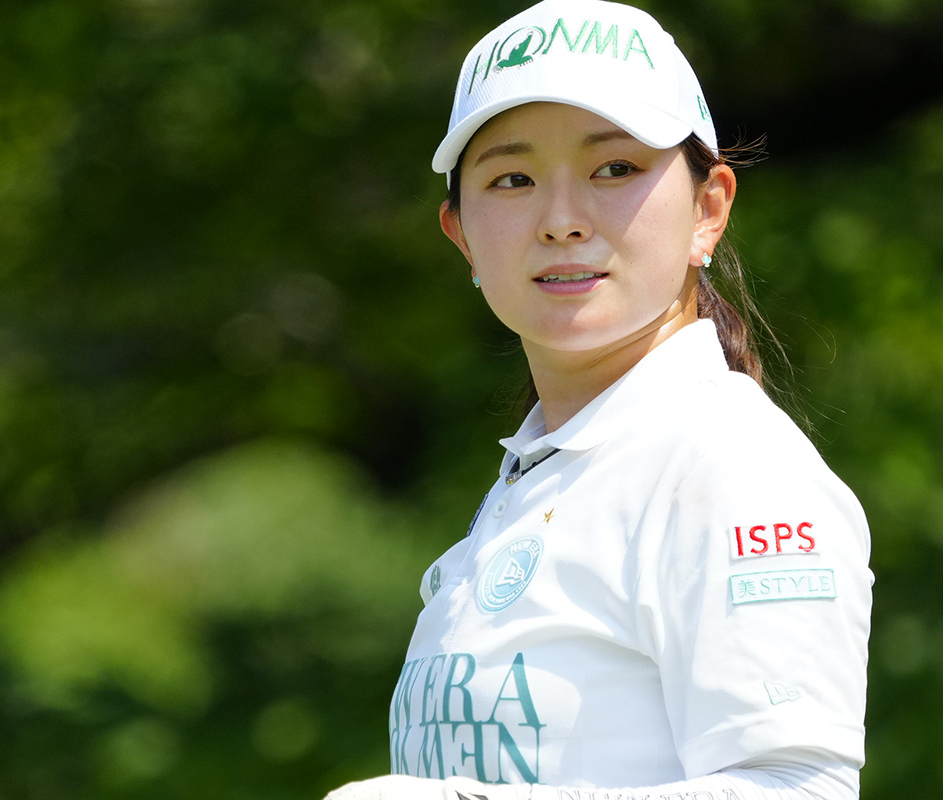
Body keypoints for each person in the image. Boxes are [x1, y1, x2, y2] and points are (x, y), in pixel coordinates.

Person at [324, 0, 873, 798]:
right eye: (512, 179)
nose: (561, 221)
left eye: (614, 169)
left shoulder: (727, 461)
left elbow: (797, 789)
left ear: (709, 210)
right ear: (462, 236)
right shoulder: (535, 482)